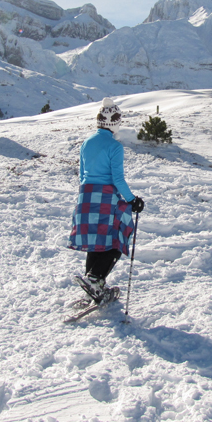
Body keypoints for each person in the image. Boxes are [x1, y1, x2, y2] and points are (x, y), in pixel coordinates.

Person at [67, 98, 145, 303]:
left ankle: (92, 281)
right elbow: (117, 179)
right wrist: (132, 200)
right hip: (105, 196)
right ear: (115, 122)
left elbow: (82, 175)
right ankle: (95, 279)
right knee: (116, 236)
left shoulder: (86, 143)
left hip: (85, 196)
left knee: (95, 241)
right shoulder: (115, 146)